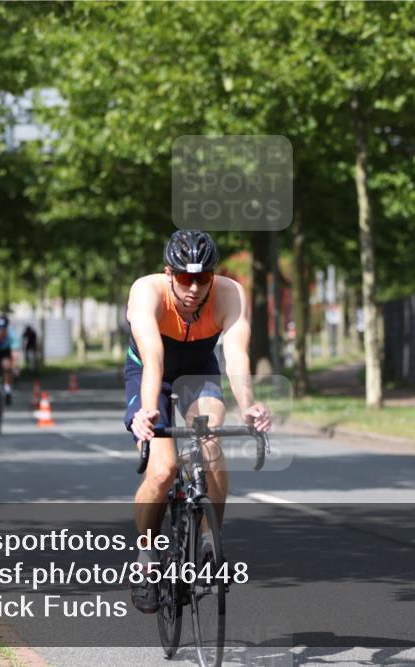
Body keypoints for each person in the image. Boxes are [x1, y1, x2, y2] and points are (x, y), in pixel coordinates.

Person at [124, 229, 272, 613]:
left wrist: (249, 405)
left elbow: (236, 357)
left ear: (214, 276)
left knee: (211, 442)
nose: (193, 288)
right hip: (149, 371)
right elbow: (153, 358)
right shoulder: (146, 291)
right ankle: (144, 560)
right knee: (162, 471)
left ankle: (209, 542)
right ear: (168, 273)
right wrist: (147, 412)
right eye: (185, 278)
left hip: (200, 370)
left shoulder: (230, 294)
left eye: (202, 278)